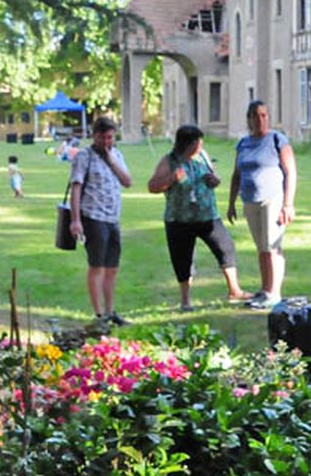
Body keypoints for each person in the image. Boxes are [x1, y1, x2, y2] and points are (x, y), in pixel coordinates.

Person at [148, 125, 249, 311]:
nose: (201, 145)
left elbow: (212, 175)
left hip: (207, 215)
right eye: (197, 142)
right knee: (182, 259)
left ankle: (234, 290)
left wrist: (214, 180)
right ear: (187, 144)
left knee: (225, 246)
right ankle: (185, 301)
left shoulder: (202, 155)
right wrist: (172, 178)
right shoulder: (169, 161)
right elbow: (152, 186)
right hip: (179, 219)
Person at [226, 99, 297, 309]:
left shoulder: (277, 140)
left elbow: (290, 172)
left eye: (264, 115)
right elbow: (236, 175)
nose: (260, 119)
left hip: (272, 199)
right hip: (250, 200)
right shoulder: (243, 143)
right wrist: (231, 203)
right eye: (256, 115)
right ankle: (265, 289)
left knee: (273, 246)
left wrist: (288, 204)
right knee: (261, 248)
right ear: (249, 119)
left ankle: (275, 292)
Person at [68, 116, 133, 329]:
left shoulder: (117, 154)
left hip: (113, 217)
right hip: (93, 216)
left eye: (111, 137)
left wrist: (111, 159)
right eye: (104, 137)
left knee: (112, 267)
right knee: (97, 265)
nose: (107, 141)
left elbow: (127, 182)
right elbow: (76, 188)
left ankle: (110, 311)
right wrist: (75, 220)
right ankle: (98, 314)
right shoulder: (84, 156)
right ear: (95, 135)